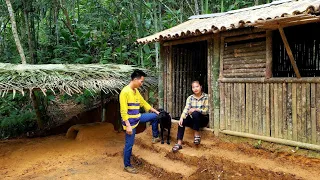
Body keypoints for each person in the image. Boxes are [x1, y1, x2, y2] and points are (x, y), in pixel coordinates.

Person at [120, 69, 160, 174]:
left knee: (155, 117)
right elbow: (123, 111)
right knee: (129, 144)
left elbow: (143, 103)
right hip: (130, 122)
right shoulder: (125, 92)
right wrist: (128, 126)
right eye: (141, 81)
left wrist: (155, 111)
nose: (142, 84)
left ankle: (155, 136)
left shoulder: (136, 91)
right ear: (135, 79)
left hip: (137, 117)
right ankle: (127, 165)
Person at [172, 80, 209, 153]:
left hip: (203, 120)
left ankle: (197, 135)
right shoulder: (190, 98)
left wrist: (196, 109)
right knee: (182, 121)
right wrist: (181, 117)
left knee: (195, 113)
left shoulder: (206, 97)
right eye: (193, 87)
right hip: (194, 121)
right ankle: (179, 143)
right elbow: (186, 108)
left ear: (201, 87)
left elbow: (206, 111)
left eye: (197, 86)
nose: (195, 89)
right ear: (192, 89)